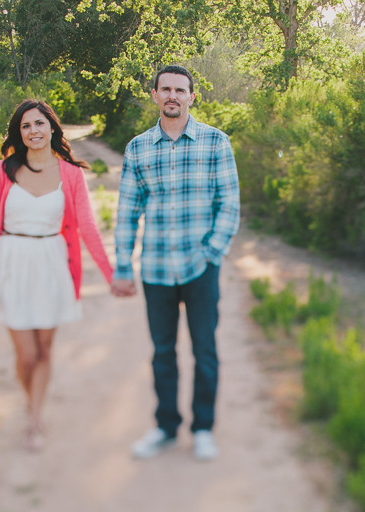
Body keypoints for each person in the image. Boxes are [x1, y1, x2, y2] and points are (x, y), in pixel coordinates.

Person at [111, 65, 240, 461]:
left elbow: (229, 205)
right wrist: (122, 265)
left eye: (180, 90)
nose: (172, 95)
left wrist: (211, 253)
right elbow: (127, 211)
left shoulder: (216, 142)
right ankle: (166, 426)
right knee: (162, 351)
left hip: (201, 267)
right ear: (154, 95)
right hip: (156, 268)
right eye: (165, 89)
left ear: (191, 97)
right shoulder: (137, 148)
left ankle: (203, 428)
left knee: (205, 350)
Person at [0, 99, 114, 451]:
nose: (33, 131)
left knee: (44, 349)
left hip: (51, 264)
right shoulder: (3, 170)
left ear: (53, 128)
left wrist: (110, 273)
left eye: (39, 124)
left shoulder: (70, 173)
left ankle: (34, 418)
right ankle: (32, 404)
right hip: (12, 264)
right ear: (19, 133)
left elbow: (87, 226)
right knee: (25, 355)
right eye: (26, 126)